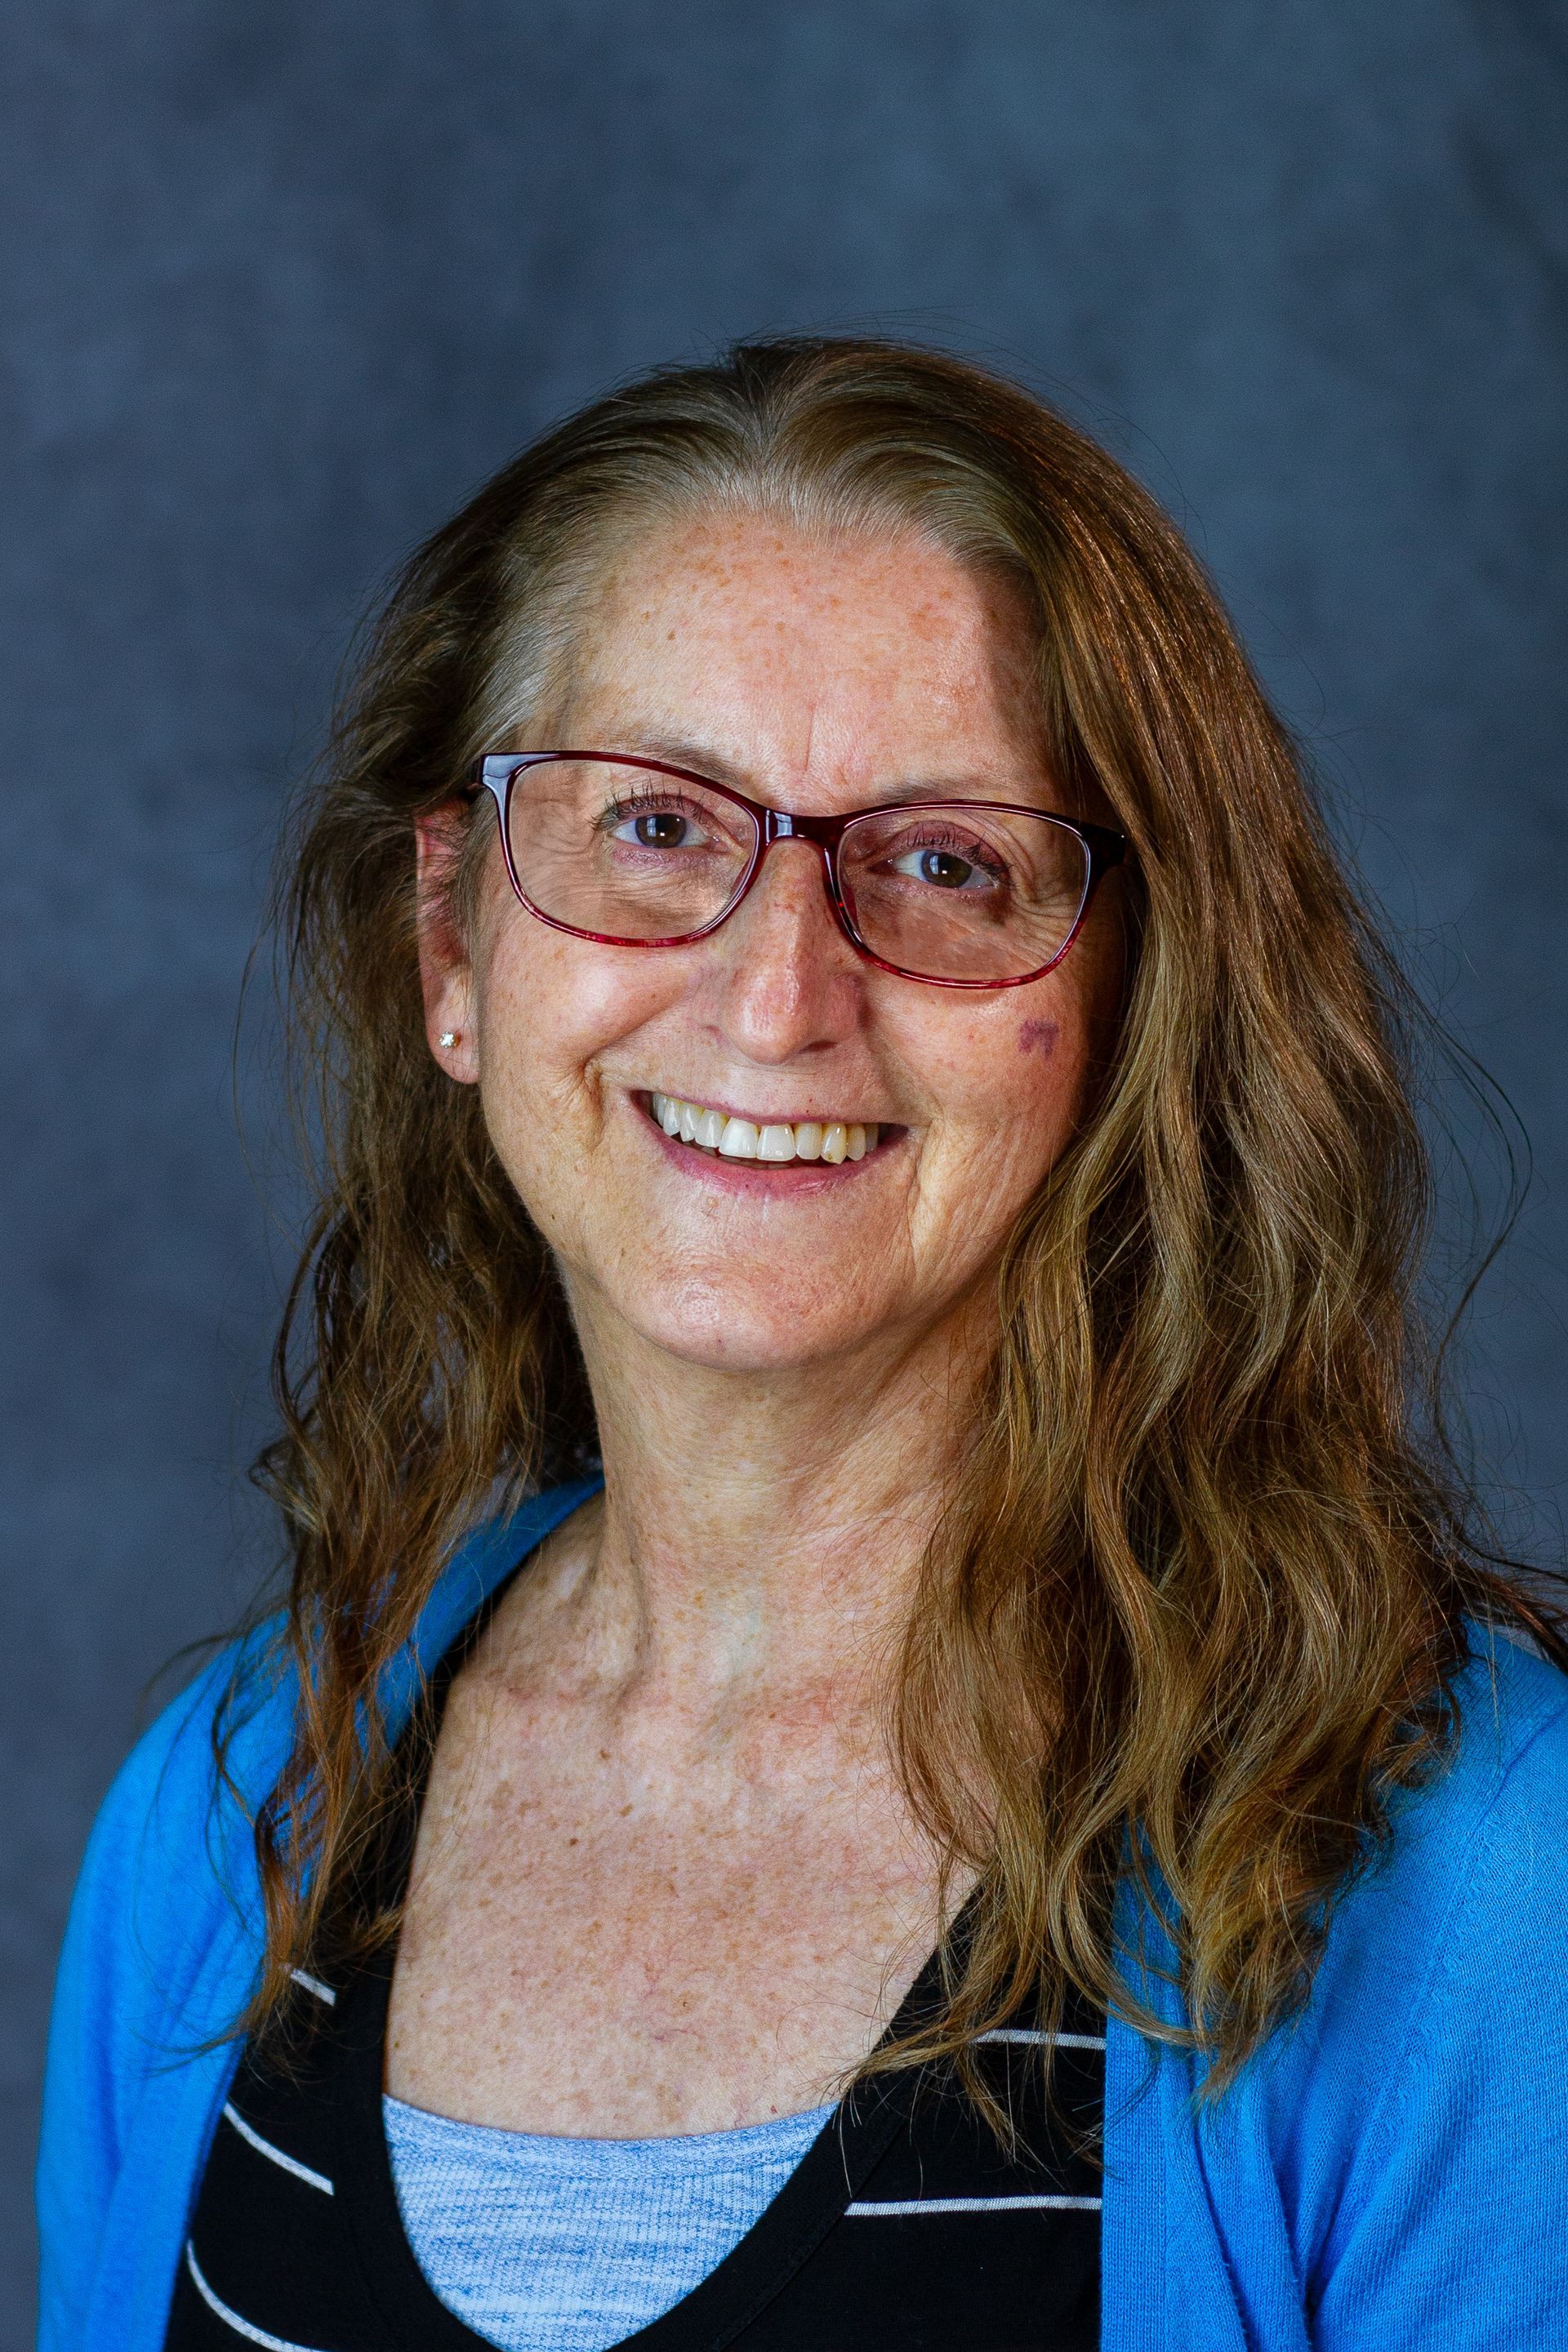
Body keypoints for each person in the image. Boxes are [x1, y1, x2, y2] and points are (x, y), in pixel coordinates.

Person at [37, 336, 1568, 2352]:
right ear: (453, 950)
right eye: (656, 828)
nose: (777, 1001)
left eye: (943, 866)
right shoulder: (230, 1818)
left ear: (1131, 1013)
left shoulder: (1471, 1899)